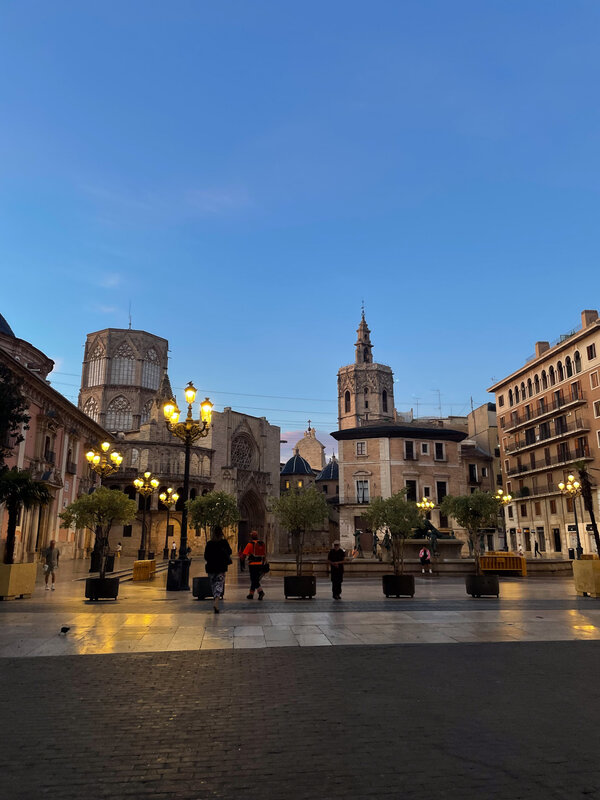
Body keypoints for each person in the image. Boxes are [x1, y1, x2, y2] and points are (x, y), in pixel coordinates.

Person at [203, 528, 232, 614]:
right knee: (219, 584)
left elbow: (206, 556)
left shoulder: (209, 543)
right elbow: (230, 551)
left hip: (211, 567)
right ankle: (216, 601)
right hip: (221, 567)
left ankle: (215, 599)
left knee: (213, 584)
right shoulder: (224, 543)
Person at [240, 531, 267, 600]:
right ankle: (251, 594)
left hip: (252, 565)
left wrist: (241, 559)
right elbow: (264, 555)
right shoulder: (261, 544)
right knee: (255, 579)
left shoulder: (250, 544)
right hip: (260, 564)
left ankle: (261, 592)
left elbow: (244, 555)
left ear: (251, 537)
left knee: (254, 580)